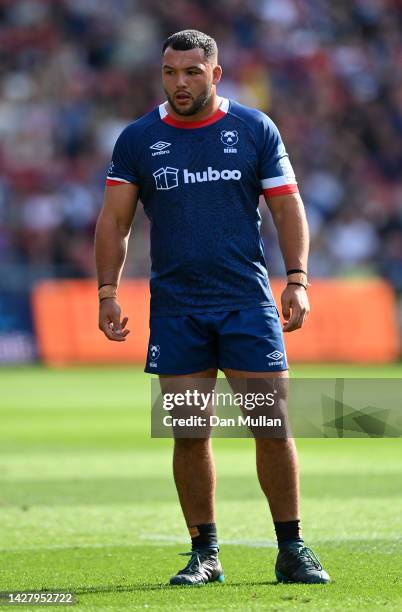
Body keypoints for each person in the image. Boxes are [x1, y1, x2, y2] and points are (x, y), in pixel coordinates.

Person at [95, 29, 330, 586]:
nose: (180, 83)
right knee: (189, 432)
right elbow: (114, 222)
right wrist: (107, 291)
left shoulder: (253, 129)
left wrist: (297, 278)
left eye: (192, 73)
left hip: (246, 301)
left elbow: (287, 208)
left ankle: (292, 548)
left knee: (270, 424)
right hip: (177, 308)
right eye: (170, 73)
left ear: (215, 74)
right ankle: (205, 553)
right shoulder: (138, 138)